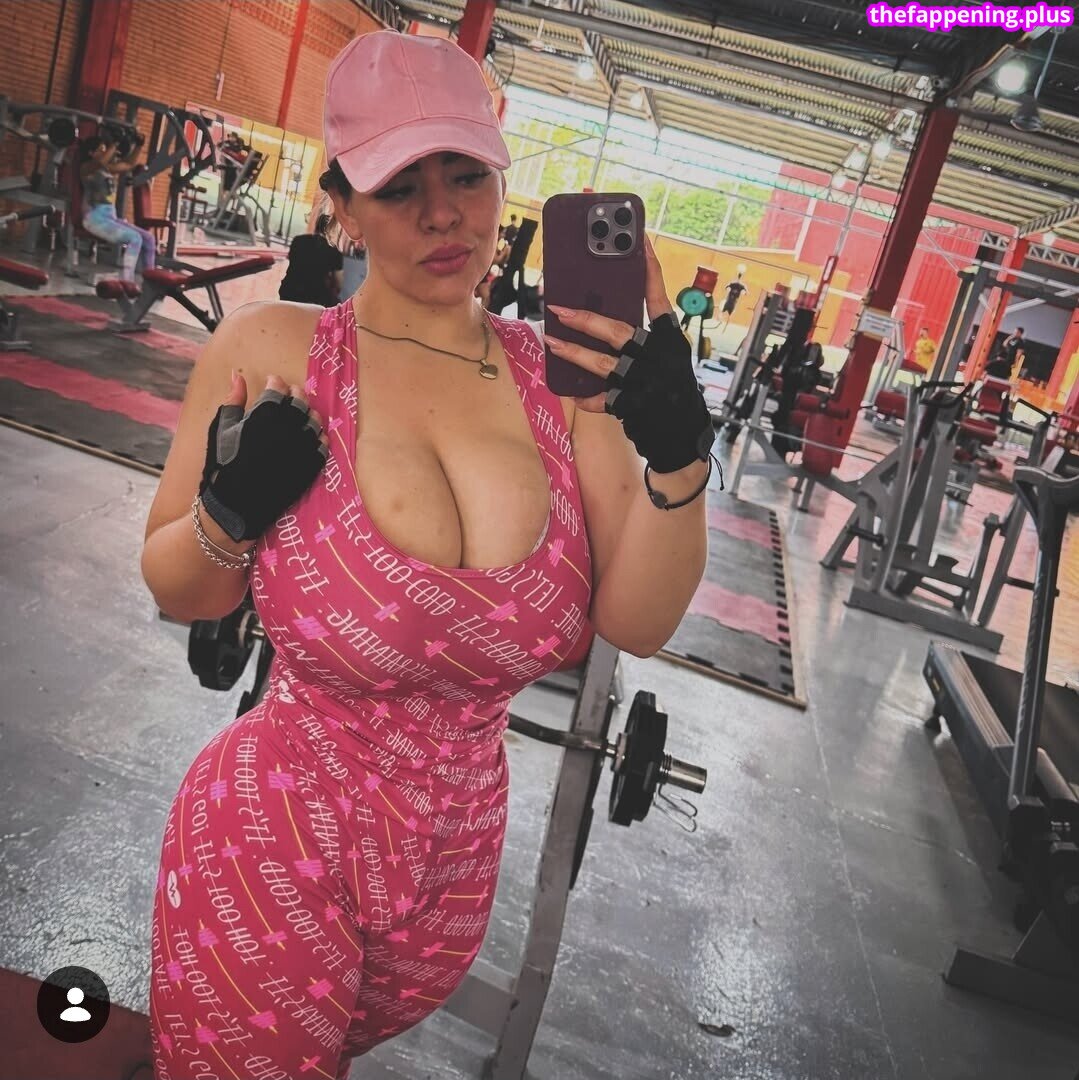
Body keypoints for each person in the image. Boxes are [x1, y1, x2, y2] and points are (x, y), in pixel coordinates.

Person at [138, 29, 714, 1080]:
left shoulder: (563, 385)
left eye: (465, 175)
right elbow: (182, 590)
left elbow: (634, 623)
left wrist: (678, 458)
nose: (443, 214)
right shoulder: (275, 349)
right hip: (275, 830)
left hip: (451, 867)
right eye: (400, 187)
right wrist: (231, 507)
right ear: (343, 206)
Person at [78, 132, 156, 295]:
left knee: (149, 238)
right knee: (135, 238)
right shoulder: (87, 168)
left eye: (105, 149)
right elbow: (100, 162)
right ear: (91, 153)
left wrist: (139, 145)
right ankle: (127, 283)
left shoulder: (107, 169)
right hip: (94, 219)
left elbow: (128, 164)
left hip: (110, 218)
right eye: (101, 149)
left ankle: (151, 284)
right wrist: (115, 144)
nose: (105, 152)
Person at [278, 229, 344, 306]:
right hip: (316, 299)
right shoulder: (334, 250)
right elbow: (338, 283)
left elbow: (291, 264)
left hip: (289, 292)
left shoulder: (298, 240)